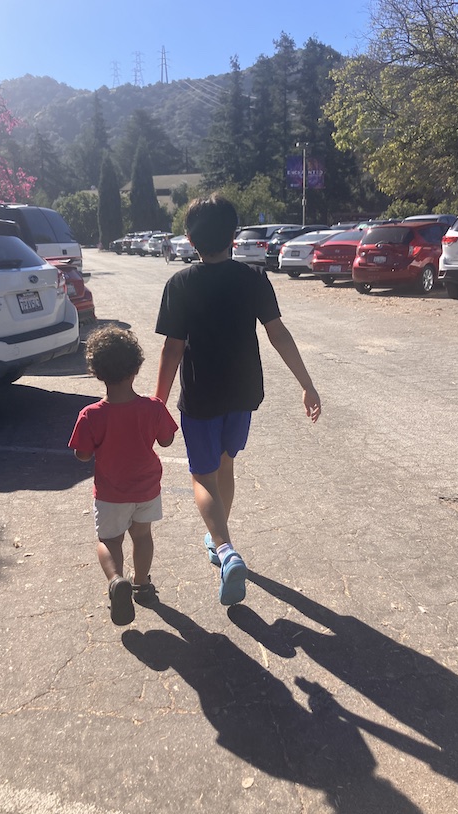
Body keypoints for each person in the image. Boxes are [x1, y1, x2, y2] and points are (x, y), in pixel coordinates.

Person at [154, 194, 321, 607]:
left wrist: (157, 403)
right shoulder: (253, 279)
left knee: (201, 476)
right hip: (243, 394)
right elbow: (277, 333)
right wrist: (307, 384)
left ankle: (225, 549)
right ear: (234, 235)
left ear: (190, 240)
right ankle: (218, 538)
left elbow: (173, 350)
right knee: (226, 464)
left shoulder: (180, 284)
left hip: (202, 396)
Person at [69, 324, 178, 626]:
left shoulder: (91, 415)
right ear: (136, 368)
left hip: (110, 493)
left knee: (109, 540)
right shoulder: (152, 408)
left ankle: (117, 581)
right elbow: (167, 440)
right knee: (142, 537)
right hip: (146, 489)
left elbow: (82, 454)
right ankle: (141, 584)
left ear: (96, 372)